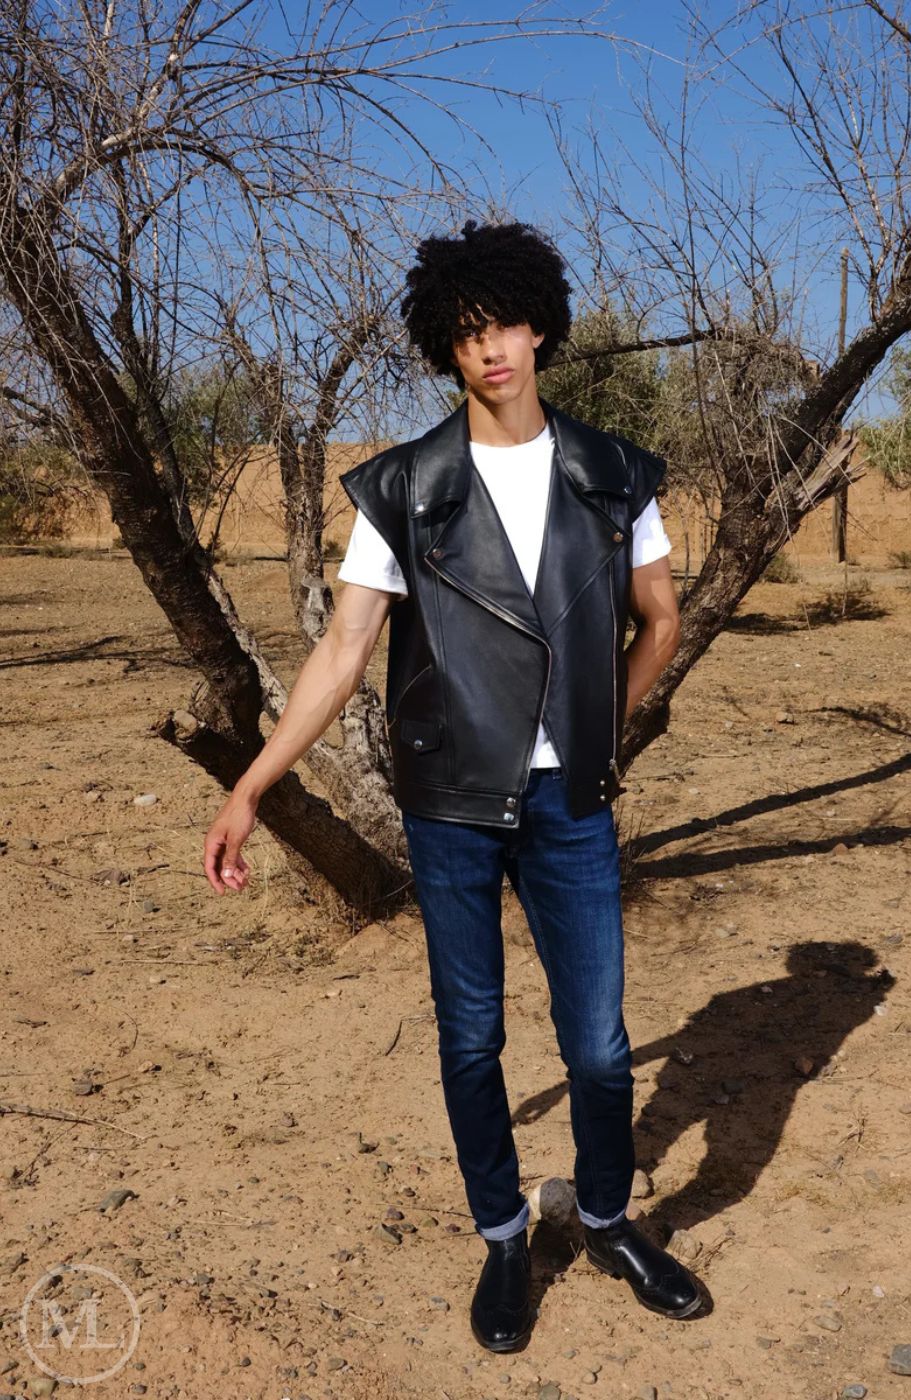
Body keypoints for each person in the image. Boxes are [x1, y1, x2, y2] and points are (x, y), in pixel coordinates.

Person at [204, 218, 702, 1352]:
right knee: (471, 1039)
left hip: (571, 804)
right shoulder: (404, 487)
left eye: (506, 325)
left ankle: (610, 1217)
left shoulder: (612, 473)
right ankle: (501, 1237)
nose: (491, 350)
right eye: (467, 332)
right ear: (446, 346)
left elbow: (661, 617)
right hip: (450, 810)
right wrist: (250, 785)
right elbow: (343, 650)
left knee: (599, 1048)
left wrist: (596, 728)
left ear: (540, 329)